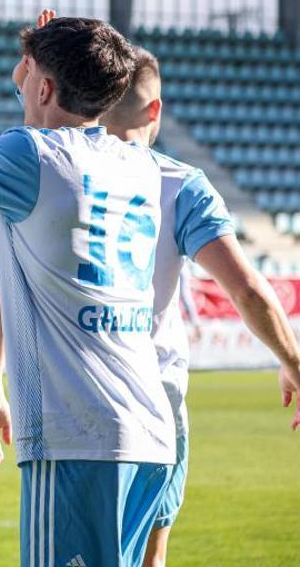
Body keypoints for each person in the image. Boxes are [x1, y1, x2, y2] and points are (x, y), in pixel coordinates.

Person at [0, 5, 178, 566]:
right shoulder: (138, 163)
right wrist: (41, 65)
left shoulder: (30, 157)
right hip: (148, 432)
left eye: (29, 72)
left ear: (43, 86)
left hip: (78, 436)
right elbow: (52, 134)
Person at [94, 45, 300, 567]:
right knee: (150, 554)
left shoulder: (56, 168)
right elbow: (247, 290)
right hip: (156, 398)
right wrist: (293, 361)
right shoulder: (180, 183)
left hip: (78, 398)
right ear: (155, 110)